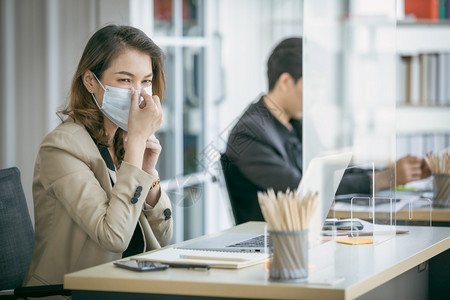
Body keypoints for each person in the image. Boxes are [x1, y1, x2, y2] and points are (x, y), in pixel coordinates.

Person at [24, 25, 173, 287]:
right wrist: (137, 145)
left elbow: (163, 237)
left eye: (146, 81)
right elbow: (114, 237)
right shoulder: (61, 147)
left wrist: (148, 174)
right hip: (73, 292)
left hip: (130, 286)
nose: (138, 93)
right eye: (125, 80)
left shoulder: (123, 141)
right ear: (91, 81)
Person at [222, 37, 430, 225]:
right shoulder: (248, 134)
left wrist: (386, 170)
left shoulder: (294, 121)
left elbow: (327, 169)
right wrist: (384, 179)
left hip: (307, 230)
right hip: (276, 243)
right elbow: (302, 188)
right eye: (314, 88)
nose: (318, 97)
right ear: (285, 82)